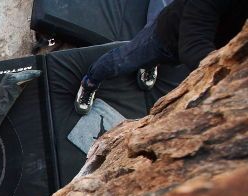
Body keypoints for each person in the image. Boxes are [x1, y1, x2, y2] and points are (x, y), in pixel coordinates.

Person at [75, 0, 248, 115]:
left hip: (202, 46)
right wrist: (226, 73)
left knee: (162, 59)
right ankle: (90, 81)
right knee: (120, 61)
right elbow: (193, 46)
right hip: (163, 37)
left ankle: (150, 63)